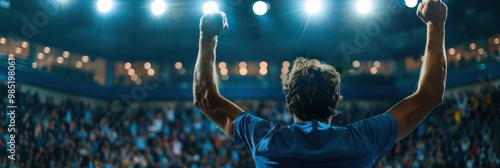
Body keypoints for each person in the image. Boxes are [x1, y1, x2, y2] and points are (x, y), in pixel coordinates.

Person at [193, 0, 448, 167]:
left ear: (289, 103)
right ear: (336, 101)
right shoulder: (362, 140)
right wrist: (436, 24)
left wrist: (207, 37)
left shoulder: (266, 140)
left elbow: (205, 98)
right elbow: (429, 95)